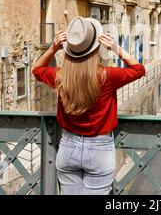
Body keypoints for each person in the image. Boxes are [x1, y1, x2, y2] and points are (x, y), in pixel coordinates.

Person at [32, 17, 146, 195]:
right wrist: (116, 48)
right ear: (95, 47)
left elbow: (37, 70)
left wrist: (53, 48)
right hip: (100, 149)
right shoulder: (107, 76)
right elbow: (139, 69)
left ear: (69, 48)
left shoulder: (60, 76)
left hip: (68, 147)